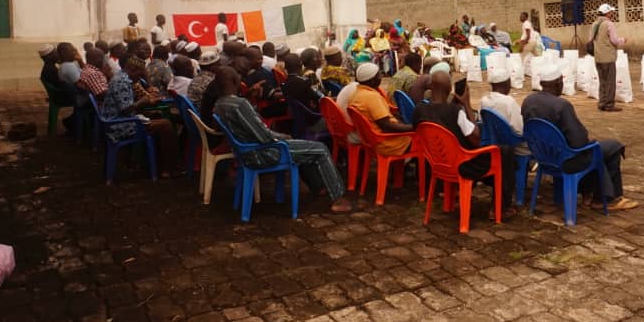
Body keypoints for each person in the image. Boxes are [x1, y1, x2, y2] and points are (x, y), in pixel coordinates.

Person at [212, 67, 353, 213]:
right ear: (235, 81)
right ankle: (338, 198)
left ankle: (319, 187)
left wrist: (251, 97)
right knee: (320, 149)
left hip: (246, 151)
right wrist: (285, 136)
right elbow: (265, 137)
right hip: (262, 153)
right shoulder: (240, 104)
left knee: (304, 147)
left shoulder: (220, 104)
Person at [521, 63, 637, 212]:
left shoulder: (529, 101)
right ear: (559, 83)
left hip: (543, 157)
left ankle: (588, 194)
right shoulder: (561, 105)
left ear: (542, 83)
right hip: (565, 160)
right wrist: (589, 142)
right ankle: (606, 198)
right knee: (612, 147)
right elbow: (579, 142)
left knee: (593, 149)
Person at [413, 70, 517, 219]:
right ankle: (501, 208)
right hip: (463, 165)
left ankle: (459, 193)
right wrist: (467, 105)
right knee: (505, 153)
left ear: (430, 87)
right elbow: (477, 139)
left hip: (437, 164)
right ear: (449, 88)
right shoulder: (455, 111)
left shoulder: (419, 110)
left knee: (501, 157)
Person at [101, 56, 180, 179]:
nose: (140, 77)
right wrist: (143, 101)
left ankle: (158, 162)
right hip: (119, 125)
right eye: (140, 74)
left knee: (156, 116)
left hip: (119, 119)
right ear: (132, 69)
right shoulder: (121, 82)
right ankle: (169, 169)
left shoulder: (121, 77)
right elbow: (126, 109)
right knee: (166, 124)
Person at [348, 63, 413, 156]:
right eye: (378, 75)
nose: (381, 77)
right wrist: (412, 128)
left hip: (371, 142)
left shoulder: (355, 94)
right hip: (387, 144)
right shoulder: (371, 97)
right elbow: (387, 126)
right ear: (372, 80)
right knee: (425, 140)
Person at [479, 67, 527, 154]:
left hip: (495, 141)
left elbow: (483, 122)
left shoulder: (484, 100)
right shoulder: (509, 102)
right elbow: (520, 130)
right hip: (514, 145)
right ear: (507, 83)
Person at [590, 3, 627, 112]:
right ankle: (609, 105)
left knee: (602, 81)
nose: (612, 13)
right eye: (611, 12)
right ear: (607, 13)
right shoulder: (609, 24)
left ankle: (602, 103)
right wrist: (623, 40)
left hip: (598, 57)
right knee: (610, 81)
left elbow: (590, 39)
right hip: (608, 57)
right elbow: (614, 40)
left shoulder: (594, 24)